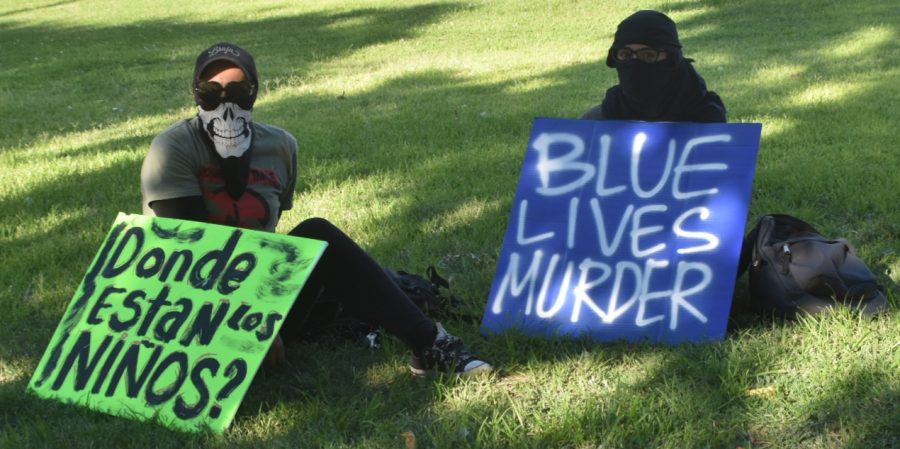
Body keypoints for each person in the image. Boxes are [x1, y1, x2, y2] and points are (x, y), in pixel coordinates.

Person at [140, 42, 491, 376]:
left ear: (256, 92)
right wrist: (250, 322)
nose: (225, 103)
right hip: (187, 309)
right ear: (195, 93)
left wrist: (264, 314)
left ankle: (429, 345)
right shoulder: (173, 148)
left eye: (238, 91)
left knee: (316, 235)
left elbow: (271, 237)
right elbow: (189, 250)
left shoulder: (279, 146)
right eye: (211, 91)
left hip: (256, 290)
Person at [581, 10, 726, 123]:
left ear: (671, 58)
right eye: (625, 55)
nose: (635, 64)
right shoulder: (597, 122)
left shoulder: (709, 123)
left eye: (648, 55)